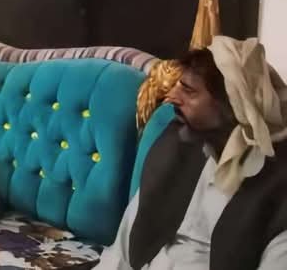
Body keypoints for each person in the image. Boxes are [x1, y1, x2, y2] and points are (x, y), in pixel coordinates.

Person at [95, 38, 287, 270]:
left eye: (188, 90)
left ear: (233, 104)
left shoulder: (276, 188)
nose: (171, 97)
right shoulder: (176, 149)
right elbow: (122, 252)